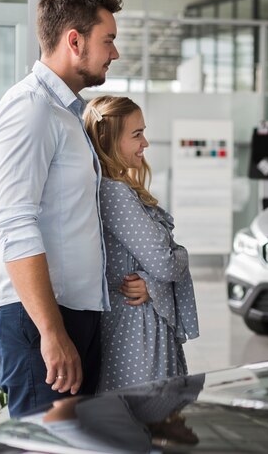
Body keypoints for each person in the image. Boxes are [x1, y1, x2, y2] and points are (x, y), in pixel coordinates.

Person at [0, 0, 132, 417]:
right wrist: (51, 332)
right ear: (75, 40)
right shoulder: (29, 108)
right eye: (108, 40)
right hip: (42, 318)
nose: (114, 53)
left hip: (74, 313)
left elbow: (73, 222)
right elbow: (14, 223)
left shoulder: (66, 115)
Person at [83, 96, 199, 392]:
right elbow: (166, 262)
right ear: (109, 140)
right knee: (145, 421)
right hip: (136, 332)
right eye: (137, 135)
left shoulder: (117, 189)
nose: (145, 143)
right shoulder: (115, 194)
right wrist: (182, 255)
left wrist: (152, 284)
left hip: (137, 327)